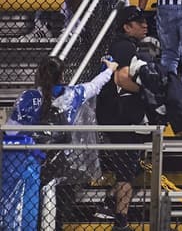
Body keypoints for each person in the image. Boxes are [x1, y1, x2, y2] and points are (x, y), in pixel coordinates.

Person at [4, 55, 115, 231]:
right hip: (60, 165)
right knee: (56, 216)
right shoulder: (72, 94)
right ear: (62, 75)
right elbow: (95, 86)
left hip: (29, 163)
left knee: (29, 211)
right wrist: (109, 69)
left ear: (39, 74)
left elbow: (11, 131)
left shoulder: (27, 97)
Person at [96, 6, 151, 231]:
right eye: (138, 22)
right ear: (127, 27)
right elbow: (121, 79)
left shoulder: (123, 45)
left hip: (115, 114)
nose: (144, 24)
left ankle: (111, 203)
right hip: (118, 115)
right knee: (128, 166)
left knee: (132, 163)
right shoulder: (124, 46)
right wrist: (147, 92)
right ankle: (120, 222)